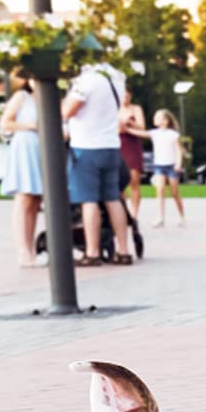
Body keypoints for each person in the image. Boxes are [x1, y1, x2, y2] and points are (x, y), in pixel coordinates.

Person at [62, 61, 133, 264]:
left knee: (89, 200)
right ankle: (123, 250)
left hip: (86, 146)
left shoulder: (86, 81)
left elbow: (67, 111)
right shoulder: (116, 79)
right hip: (111, 145)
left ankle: (92, 252)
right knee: (112, 198)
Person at [0, 67, 44, 266]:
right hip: (25, 146)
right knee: (24, 197)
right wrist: (31, 126)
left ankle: (31, 248)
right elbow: (5, 123)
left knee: (35, 200)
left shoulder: (46, 99)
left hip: (41, 149)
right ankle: (22, 250)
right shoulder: (22, 97)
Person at [148, 110, 187, 226]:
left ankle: (182, 216)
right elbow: (139, 132)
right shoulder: (154, 133)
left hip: (171, 166)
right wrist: (126, 127)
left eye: (157, 117)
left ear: (165, 121)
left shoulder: (173, 135)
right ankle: (160, 217)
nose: (154, 118)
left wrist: (178, 163)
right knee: (159, 190)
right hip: (159, 166)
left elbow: (178, 150)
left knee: (174, 192)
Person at [117, 82, 148, 221]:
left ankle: (135, 213)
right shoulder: (114, 108)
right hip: (118, 143)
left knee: (134, 179)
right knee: (119, 181)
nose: (125, 97)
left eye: (127, 95)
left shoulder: (136, 109)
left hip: (132, 143)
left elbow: (142, 127)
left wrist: (129, 124)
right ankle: (123, 212)